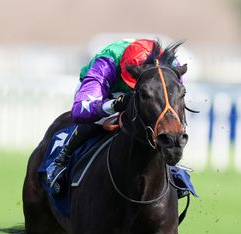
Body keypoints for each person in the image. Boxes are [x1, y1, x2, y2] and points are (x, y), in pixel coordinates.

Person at [46, 38, 161, 193]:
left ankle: (172, 168)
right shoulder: (107, 62)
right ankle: (62, 158)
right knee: (95, 121)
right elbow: (80, 111)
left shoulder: (168, 63)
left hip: (149, 89)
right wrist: (113, 106)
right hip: (109, 91)